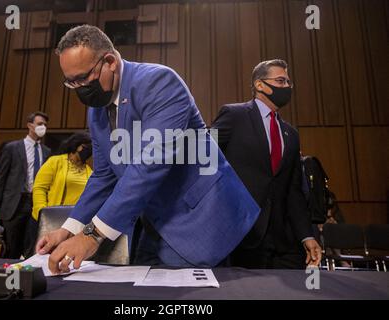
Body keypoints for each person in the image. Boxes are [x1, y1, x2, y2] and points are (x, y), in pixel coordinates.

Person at [36, 25, 260, 273]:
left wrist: (91, 235)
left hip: (196, 218)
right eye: (71, 82)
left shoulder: (159, 82)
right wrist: (69, 229)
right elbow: (103, 175)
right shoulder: (96, 110)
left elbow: (150, 165)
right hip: (150, 222)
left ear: (109, 61)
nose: (78, 88)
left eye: (82, 78)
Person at [211, 59, 322, 269]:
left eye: (289, 82)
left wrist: (306, 235)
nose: (287, 87)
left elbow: (294, 191)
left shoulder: (291, 134)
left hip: (283, 241)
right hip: (241, 236)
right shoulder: (234, 115)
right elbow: (204, 158)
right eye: (281, 81)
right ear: (260, 85)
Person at [0, 111, 51, 259]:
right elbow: (1, 178)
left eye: (45, 125)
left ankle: (26, 276)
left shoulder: (46, 151)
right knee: (12, 245)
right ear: (29, 125)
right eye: (40, 124)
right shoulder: (12, 147)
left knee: (31, 244)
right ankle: (8, 277)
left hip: (36, 201)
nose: (43, 127)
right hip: (15, 202)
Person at [32, 132, 93, 221]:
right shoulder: (55, 162)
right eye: (86, 147)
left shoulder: (90, 171)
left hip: (77, 220)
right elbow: (39, 188)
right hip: (53, 217)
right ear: (76, 145)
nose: (89, 150)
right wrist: (42, 212)